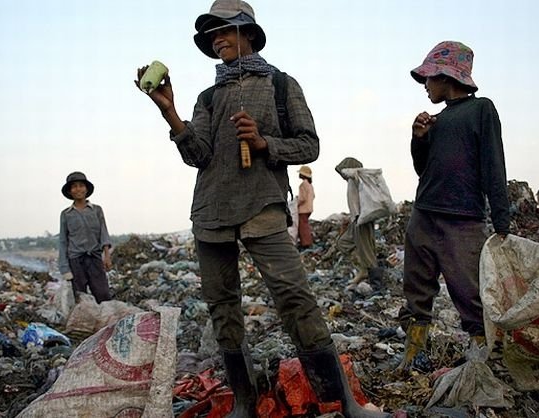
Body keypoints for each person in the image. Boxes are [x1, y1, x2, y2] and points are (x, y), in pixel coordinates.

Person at [134, 1, 390, 416]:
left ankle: (342, 402)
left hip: (262, 208)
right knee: (223, 308)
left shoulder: (281, 85)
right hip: (211, 214)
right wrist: (171, 113)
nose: (217, 40)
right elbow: (197, 155)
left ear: (248, 33)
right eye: (211, 35)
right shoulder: (208, 97)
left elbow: (309, 145)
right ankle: (244, 402)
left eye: (224, 31)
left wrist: (264, 143)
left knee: (295, 298)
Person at [397, 41, 510, 369]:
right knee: (417, 288)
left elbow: (494, 165)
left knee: (469, 294)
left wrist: (502, 224)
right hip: (424, 215)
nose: (426, 87)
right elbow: (424, 169)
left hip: (462, 220)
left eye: (428, 80)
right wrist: (418, 138)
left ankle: (481, 363)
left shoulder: (481, 110)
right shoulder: (435, 121)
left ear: (447, 77)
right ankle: (413, 356)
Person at [58, 171, 113, 304]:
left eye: (81, 185)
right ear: (70, 191)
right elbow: (63, 241)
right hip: (76, 261)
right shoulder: (66, 214)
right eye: (74, 186)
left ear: (86, 189)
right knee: (81, 297)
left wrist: (107, 256)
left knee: (103, 294)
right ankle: (85, 322)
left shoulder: (96, 210)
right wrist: (65, 268)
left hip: (94, 258)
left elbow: (103, 233)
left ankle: (105, 321)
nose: (78, 189)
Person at [334, 157, 378, 287]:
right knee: (343, 243)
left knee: (367, 250)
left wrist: (351, 171)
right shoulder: (351, 182)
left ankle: (376, 281)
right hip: (355, 219)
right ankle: (363, 268)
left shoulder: (359, 178)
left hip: (363, 218)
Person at [296, 165, 314, 249]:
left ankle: (306, 243)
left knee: (303, 227)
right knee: (305, 225)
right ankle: (306, 242)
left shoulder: (303, 184)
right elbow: (313, 196)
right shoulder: (310, 185)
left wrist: (295, 204)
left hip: (303, 209)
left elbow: (302, 198)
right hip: (309, 208)